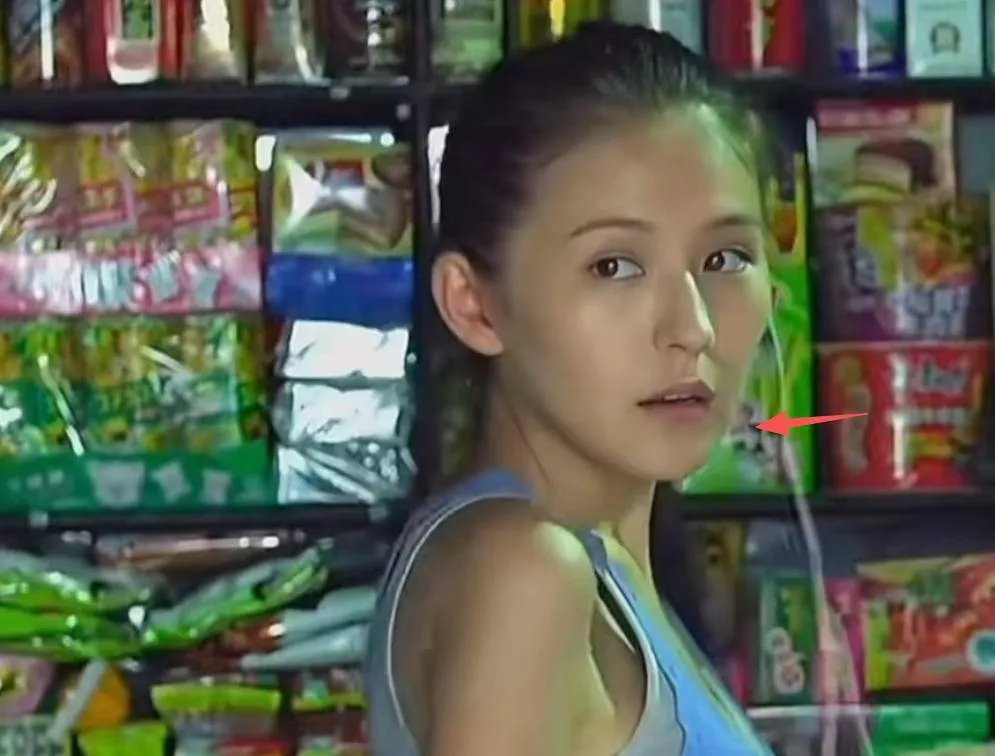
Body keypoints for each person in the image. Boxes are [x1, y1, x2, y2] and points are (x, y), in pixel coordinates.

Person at [365, 21, 778, 755]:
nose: (693, 328)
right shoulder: (526, 574)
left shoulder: (600, 559)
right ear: (473, 304)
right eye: (614, 266)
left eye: (725, 257)